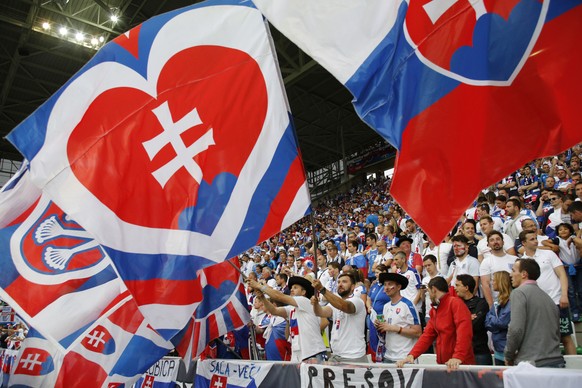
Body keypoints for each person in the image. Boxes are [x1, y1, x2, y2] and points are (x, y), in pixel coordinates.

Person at [396, 277, 475, 369]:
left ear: (433, 290)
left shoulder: (455, 304)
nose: (428, 295)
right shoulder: (435, 310)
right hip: (446, 364)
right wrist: (412, 355)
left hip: (460, 365)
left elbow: (464, 332)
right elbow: (427, 335)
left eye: (428, 291)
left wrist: (458, 356)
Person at [519, 230, 576, 355]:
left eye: (535, 238)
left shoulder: (548, 254)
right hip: (536, 306)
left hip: (556, 301)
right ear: (523, 242)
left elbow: (562, 274)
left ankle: (574, 368)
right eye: (532, 239)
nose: (536, 241)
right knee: (543, 339)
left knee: (566, 337)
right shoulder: (521, 262)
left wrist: (564, 295)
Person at [247, 276, 327, 362]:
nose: (291, 290)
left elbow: (279, 297)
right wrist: (262, 297)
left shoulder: (305, 301)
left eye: (295, 288)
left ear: (303, 292)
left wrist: (260, 286)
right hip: (298, 354)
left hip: (312, 352)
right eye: (291, 288)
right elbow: (273, 311)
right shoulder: (291, 308)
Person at [504, 259, 564, 367]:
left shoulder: (518, 293)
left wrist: (508, 355)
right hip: (556, 361)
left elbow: (515, 329)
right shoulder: (548, 298)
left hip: (533, 365)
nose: (510, 274)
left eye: (513, 270)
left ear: (524, 274)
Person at [311, 273, 368, 363]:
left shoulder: (357, 301)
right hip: (336, 356)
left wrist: (322, 289)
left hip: (354, 357)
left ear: (353, 287)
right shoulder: (335, 302)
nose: (340, 284)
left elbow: (344, 306)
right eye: (338, 282)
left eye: (344, 282)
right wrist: (315, 304)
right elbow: (320, 312)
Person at [374, 272, 421, 363]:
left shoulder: (408, 305)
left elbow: (418, 332)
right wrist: (380, 326)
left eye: (390, 284)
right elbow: (387, 329)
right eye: (385, 284)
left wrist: (395, 328)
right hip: (388, 356)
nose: (386, 287)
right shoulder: (386, 306)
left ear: (398, 287)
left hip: (404, 357)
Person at [455, 274, 492, 365]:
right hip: (462, 352)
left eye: (457, 285)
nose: (455, 288)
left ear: (466, 287)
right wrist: (468, 318)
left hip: (479, 351)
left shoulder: (481, 303)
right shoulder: (455, 304)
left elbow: (475, 324)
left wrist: (460, 321)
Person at [479, 230, 517, 306]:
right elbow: (485, 284)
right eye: (492, 240)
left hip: (515, 299)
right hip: (497, 302)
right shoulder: (486, 262)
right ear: (488, 245)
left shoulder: (515, 260)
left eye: (498, 239)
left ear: (503, 242)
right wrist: (491, 305)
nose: (495, 242)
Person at [485, 271, 512, 366]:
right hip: (497, 349)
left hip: (508, 350)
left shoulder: (512, 300)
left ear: (501, 281)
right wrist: (494, 321)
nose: (492, 283)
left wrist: (493, 319)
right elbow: (487, 323)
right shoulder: (497, 301)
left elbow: (503, 322)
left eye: (494, 280)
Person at [366, 264, 391, 361]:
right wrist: (369, 307)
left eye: (378, 273)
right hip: (373, 316)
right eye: (375, 272)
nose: (376, 275)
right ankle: (374, 358)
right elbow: (368, 298)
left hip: (383, 317)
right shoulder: (375, 285)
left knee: (382, 338)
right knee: (373, 338)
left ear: (384, 273)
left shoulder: (388, 286)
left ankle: (382, 358)